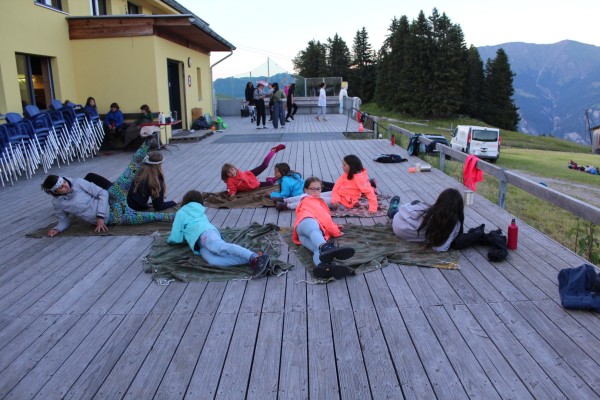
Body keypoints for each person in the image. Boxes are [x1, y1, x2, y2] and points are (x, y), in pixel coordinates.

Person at [41, 130, 175, 237]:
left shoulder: (78, 183)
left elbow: (103, 193)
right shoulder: (58, 203)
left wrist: (99, 217)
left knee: (131, 169)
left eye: (64, 182)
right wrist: (57, 229)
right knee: (154, 217)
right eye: (61, 187)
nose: (66, 185)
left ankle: (148, 141)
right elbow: (63, 220)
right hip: (116, 216)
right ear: (55, 192)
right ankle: (180, 217)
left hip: (112, 197)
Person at [167, 190, 271, 277]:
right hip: (200, 244)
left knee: (220, 248)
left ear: (185, 200)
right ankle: (254, 260)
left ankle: (253, 256)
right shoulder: (199, 210)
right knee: (213, 261)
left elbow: (176, 237)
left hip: (205, 234)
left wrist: (169, 240)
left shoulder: (180, 213)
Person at [292, 177, 355, 278]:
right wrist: (336, 232)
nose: (316, 192)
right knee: (315, 231)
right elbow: (325, 218)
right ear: (305, 190)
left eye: (318, 189)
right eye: (312, 189)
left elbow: (321, 219)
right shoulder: (310, 200)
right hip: (307, 222)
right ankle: (326, 247)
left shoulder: (307, 200)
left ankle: (324, 267)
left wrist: (335, 226)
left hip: (302, 234)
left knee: (317, 249)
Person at [387, 188, 464, 252]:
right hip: (405, 234)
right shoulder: (454, 225)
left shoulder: (427, 209)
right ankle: (397, 210)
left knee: (412, 207)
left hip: (397, 223)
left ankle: (394, 209)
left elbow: (403, 209)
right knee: (416, 207)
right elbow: (440, 249)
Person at [221, 144, 286, 198]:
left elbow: (243, 177)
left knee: (264, 165)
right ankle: (271, 179)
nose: (231, 172)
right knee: (270, 183)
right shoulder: (230, 181)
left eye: (232, 170)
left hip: (249, 174)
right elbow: (231, 188)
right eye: (229, 172)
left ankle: (273, 151)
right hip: (255, 185)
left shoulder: (238, 171)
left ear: (234, 168)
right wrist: (232, 194)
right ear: (226, 174)